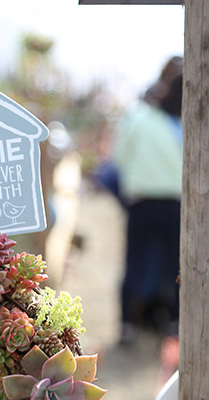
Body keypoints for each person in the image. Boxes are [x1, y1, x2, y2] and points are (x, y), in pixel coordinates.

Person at [115, 67, 183, 344]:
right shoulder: (180, 123)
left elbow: (120, 158)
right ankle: (175, 323)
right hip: (174, 203)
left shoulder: (136, 117)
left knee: (134, 263)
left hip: (141, 201)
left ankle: (127, 324)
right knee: (176, 267)